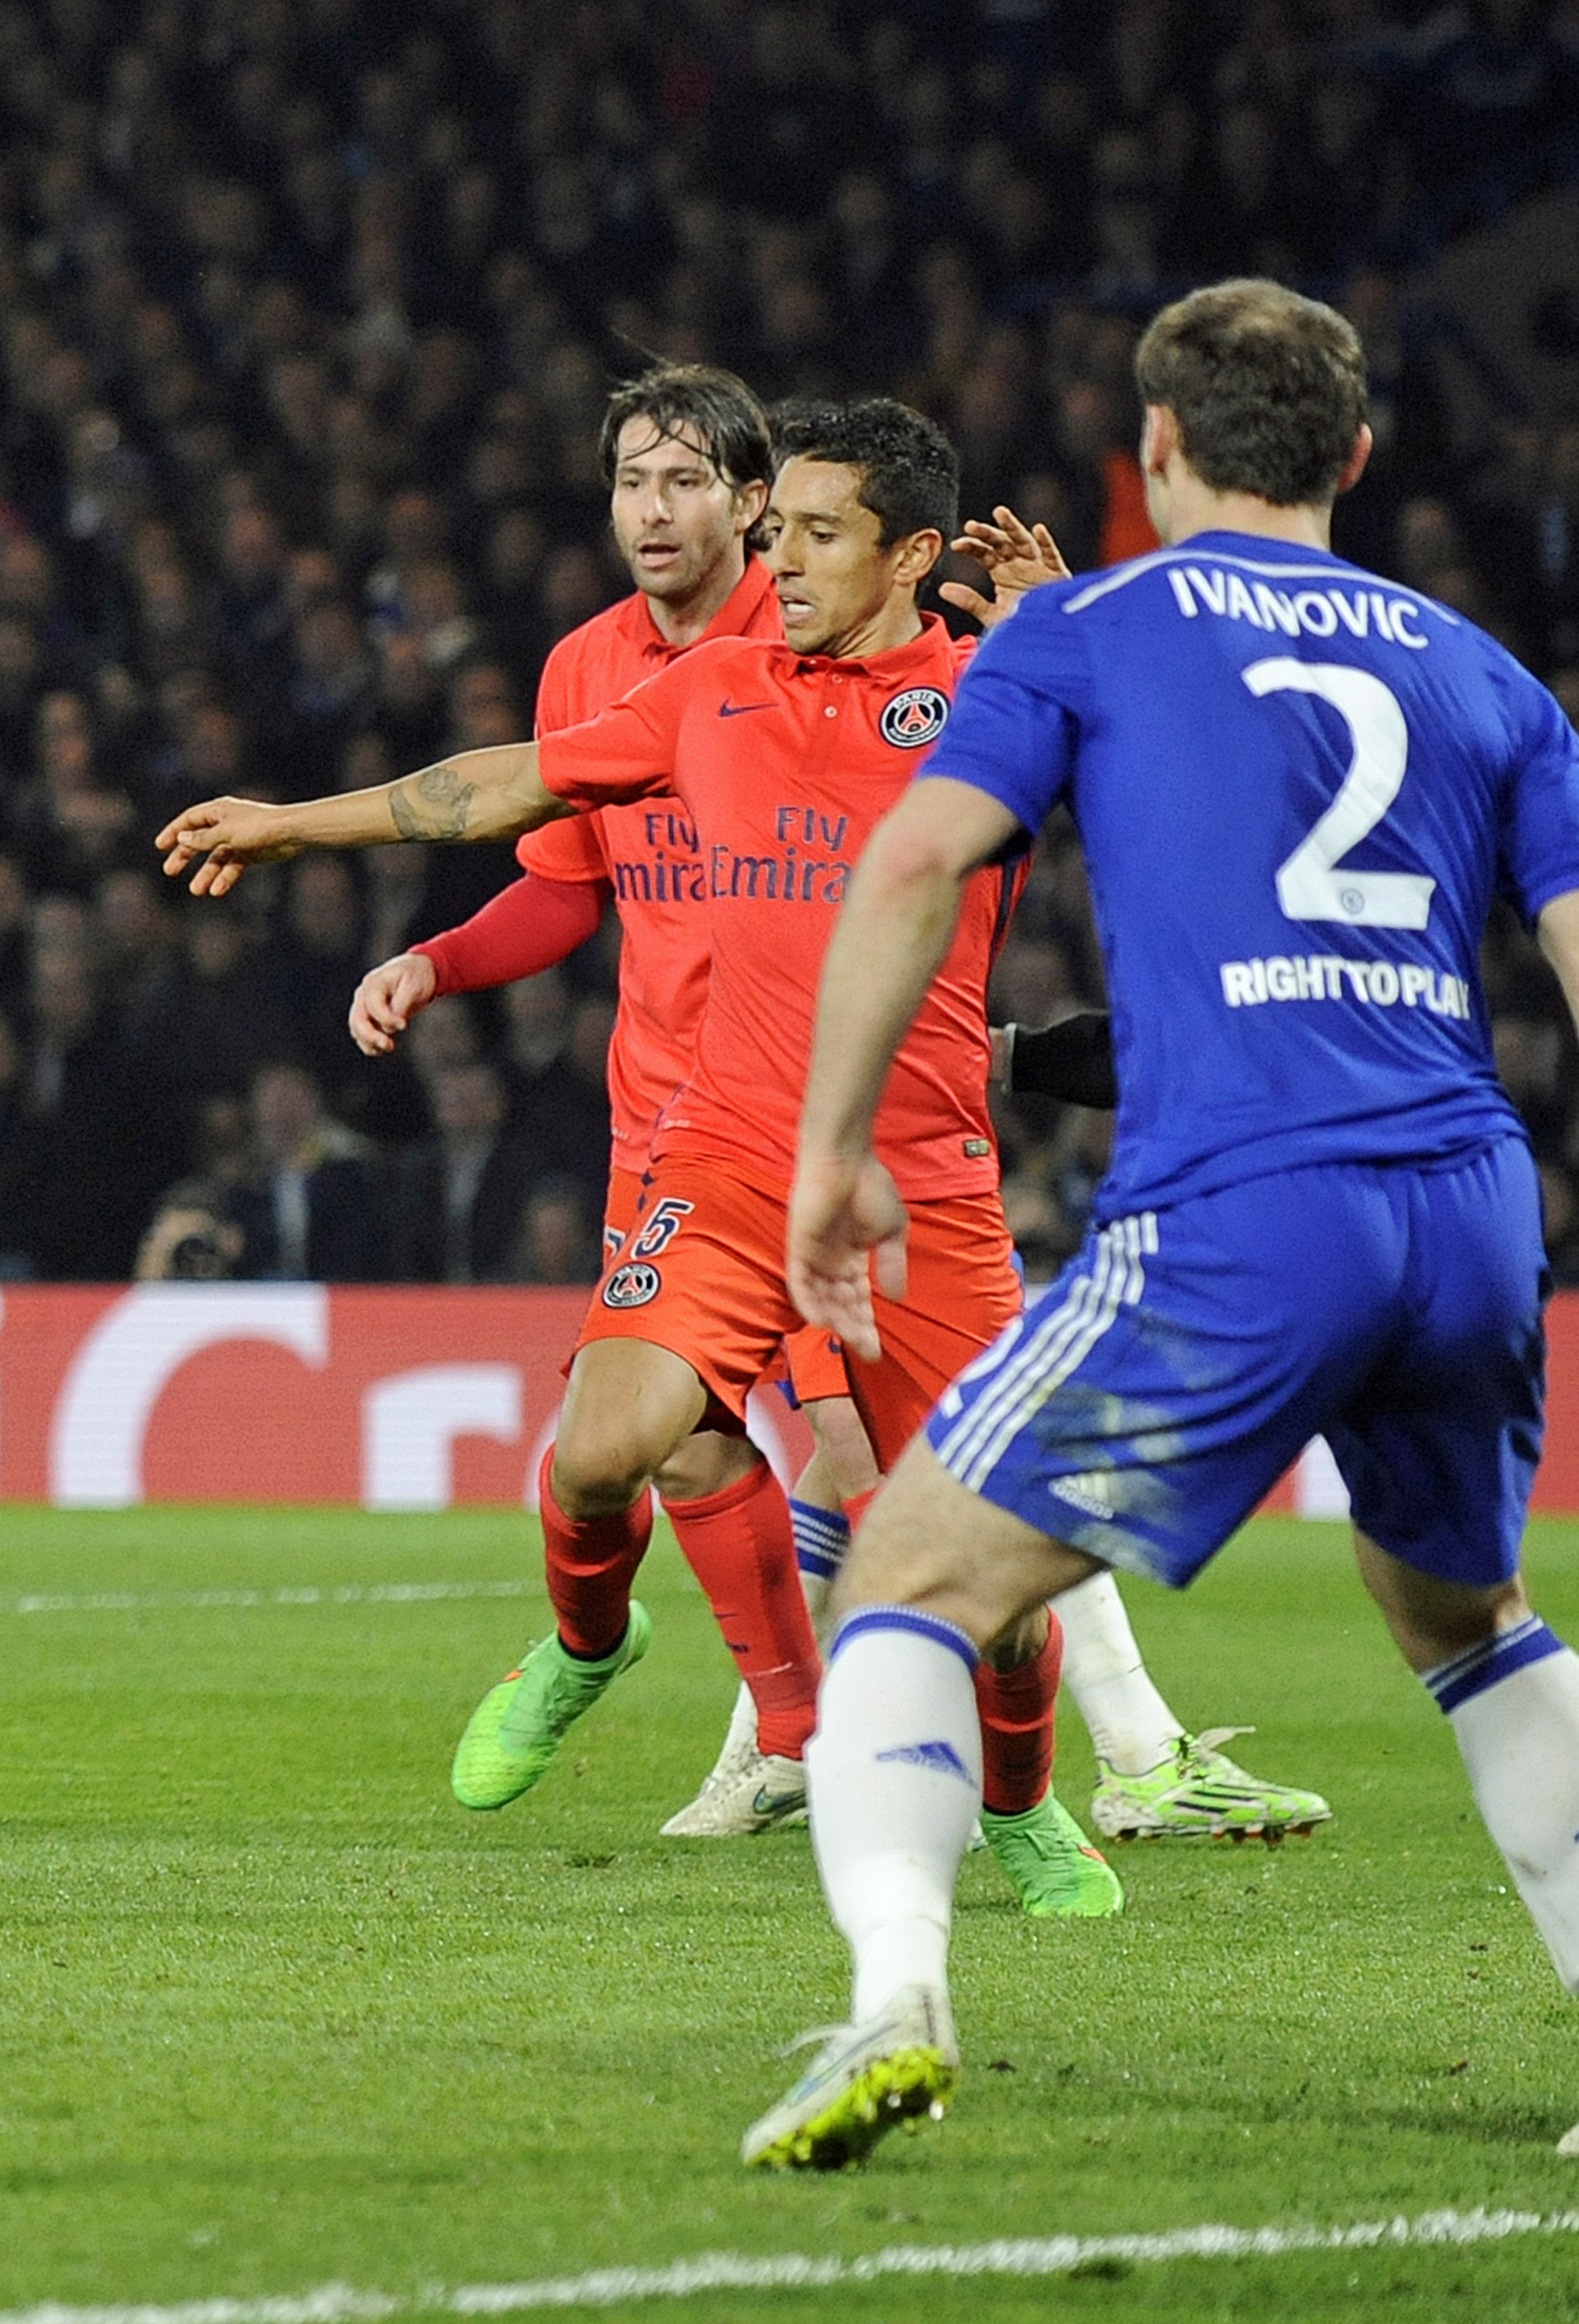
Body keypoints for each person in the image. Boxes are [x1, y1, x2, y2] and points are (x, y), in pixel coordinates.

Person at [749, 279, 1579, 2174]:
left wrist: (829, 1149)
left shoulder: (1083, 624)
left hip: (1247, 1202)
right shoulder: (1479, 668)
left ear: (1151, 451)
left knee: (904, 1576)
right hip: (1468, 1207)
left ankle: (893, 2004)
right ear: (1357, 457)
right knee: (1463, 1611)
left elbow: (914, 857)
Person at [164, 400, 1123, 1916]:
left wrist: (1071, 637)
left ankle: (1020, 1802)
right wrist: (300, 827)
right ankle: (593, 1645)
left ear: (914, 556)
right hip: (731, 1151)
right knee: (602, 1448)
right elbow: (503, 784)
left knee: (995, 1586)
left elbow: (1159, 782)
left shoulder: (980, 696)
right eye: (781, 525)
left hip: (917, 1181)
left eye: (818, 533)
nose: (778, 555)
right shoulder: (713, 688)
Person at [352, 368, 1324, 1845]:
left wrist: (1052, 637)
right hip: (688, 1124)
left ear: (752, 506)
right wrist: (430, 952)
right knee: (663, 1444)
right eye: (633, 482)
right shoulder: (606, 672)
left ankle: (1051, 1765)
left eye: (691, 484)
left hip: (871, 1139)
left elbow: (1134, 783)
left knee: (898, 1475)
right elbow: (557, 877)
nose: (658, 511)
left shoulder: (881, 662)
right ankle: (801, 1730)